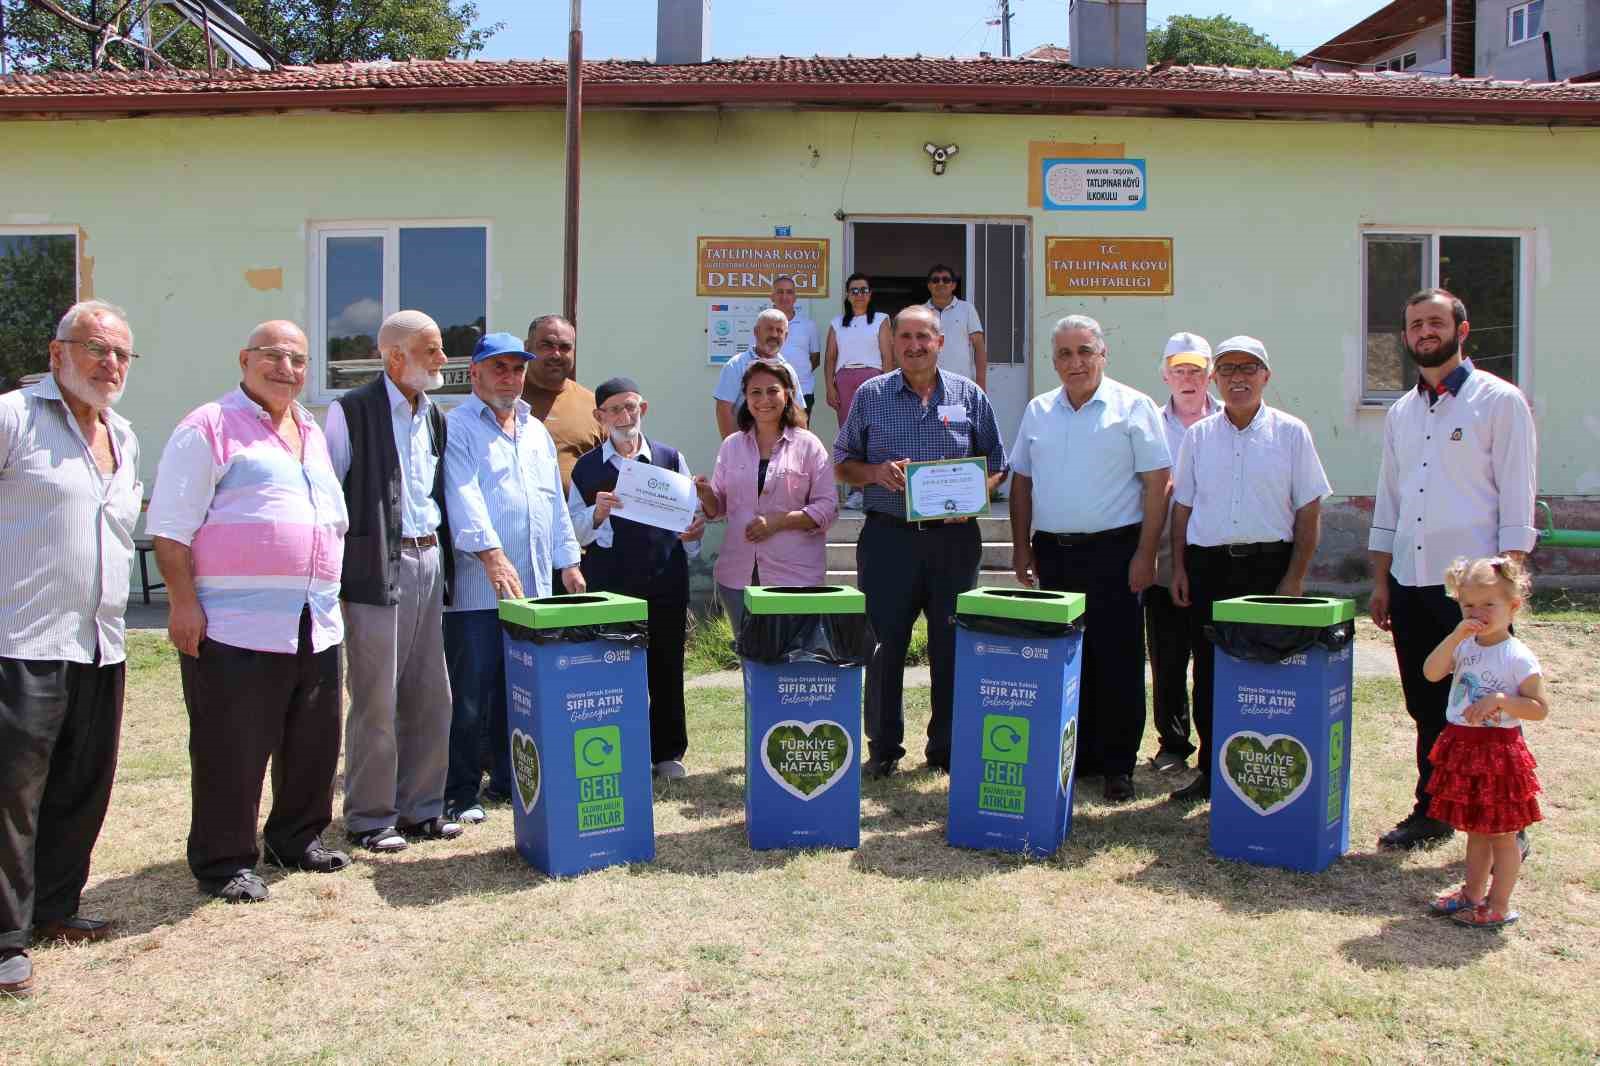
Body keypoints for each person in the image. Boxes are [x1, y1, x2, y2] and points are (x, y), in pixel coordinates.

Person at [147, 320, 351, 905]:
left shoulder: (311, 429)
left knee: (313, 744)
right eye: (273, 355)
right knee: (230, 750)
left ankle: (296, 839)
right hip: (234, 626)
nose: (286, 367)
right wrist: (184, 604)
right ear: (244, 359)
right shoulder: (207, 426)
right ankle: (223, 860)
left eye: (298, 358)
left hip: (312, 621)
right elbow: (169, 529)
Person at [0, 301, 141, 999]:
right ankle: (4, 939)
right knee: (11, 797)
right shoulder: (13, 419)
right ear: (58, 354)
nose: (109, 364)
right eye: (96, 349)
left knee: (83, 783)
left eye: (120, 354)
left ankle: (56, 907)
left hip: (101, 643)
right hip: (20, 640)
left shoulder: (124, 434)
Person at [1368, 288, 1538, 851]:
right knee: (1425, 701)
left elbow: (1517, 496)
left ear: (1461, 331)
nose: (1424, 332)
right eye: (1415, 324)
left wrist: (1505, 587)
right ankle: (1434, 808)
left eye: (1435, 322)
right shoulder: (1402, 411)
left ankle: (1504, 816)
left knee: (1485, 704)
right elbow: (1390, 500)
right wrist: (1380, 579)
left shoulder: (1499, 401)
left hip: (1474, 594)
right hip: (1411, 582)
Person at [835, 305, 1005, 779]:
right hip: (889, 540)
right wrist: (873, 473)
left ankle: (946, 749)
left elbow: (997, 461)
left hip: (953, 543)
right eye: (905, 337)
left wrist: (977, 493)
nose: (913, 345)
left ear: (940, 341)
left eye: (923, 337)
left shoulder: (969, 396)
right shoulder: (871, 395)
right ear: (894, 344)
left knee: (950, 644)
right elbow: (842, 462)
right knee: (883, 645)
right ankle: (884, 748)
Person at [1010, 315, 1170, 803]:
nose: (1075, 362)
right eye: (1064, 354)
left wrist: (1147, 554)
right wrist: (1021, 546)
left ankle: (1118, 765)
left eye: (1084, 351)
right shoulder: (1038, 411)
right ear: (1053, 360)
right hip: (1055, 553)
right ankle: (1079, 756)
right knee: (1068, 661)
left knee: (1118, 659)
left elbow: (1159, 483)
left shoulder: (1133, 407)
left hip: (1116, 552)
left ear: (1103, 355)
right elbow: (1021, 482)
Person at [1168, 336, 1330, 802]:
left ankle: (1260, 767)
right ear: (1215, 378)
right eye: (1229, 368)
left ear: (1266, 376)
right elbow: (1182, 510)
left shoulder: (1292, 432)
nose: (1238, 377)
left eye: (1249, 368)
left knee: (1269, 669)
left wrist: (1294, 577)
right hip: (1209, 567)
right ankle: (1210, 770)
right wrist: (1178, 567)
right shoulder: (1198, 436)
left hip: (1269, 566)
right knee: (1212, 669)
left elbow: (1308, 509)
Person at [323, 310, 460, 851]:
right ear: (395, 356)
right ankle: (369, 818)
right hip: (375, 567)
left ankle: (421, 809)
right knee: (376, 699)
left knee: (432, 694)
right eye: (432, 349)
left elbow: (432, 495)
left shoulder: (435, 417)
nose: (443, 360)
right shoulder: (348, 412)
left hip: (429, 561)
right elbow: (329, 498)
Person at [443, 333, 585, 821]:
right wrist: (491, 554)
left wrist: (568, 560)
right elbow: (462, 494)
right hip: (477, 589)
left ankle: (508, 779)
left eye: (516, 368)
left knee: (518, 689)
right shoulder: (457, 427)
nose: (509, 377)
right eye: (498, 367)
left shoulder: (535, 430)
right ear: (475, 374)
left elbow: (554, 503)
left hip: (533, 591)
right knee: (469, 696)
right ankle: (459, 793)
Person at [569, 378, 705, 779]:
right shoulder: (586, 468)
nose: (624, 417)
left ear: (643, 409)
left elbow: (689, 518)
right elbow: (572, 531)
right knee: (614, 665)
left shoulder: (670, 457)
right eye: (614, 410)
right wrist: (596, 513)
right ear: (599, 417)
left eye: (631, 407)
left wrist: (694, 533)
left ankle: (667, 752)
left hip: (665, 575)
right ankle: (621, 749)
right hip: (610, 581)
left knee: (667, 664)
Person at [1421, 556, 1546, 929]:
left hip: (1498, 752)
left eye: (1488, 604)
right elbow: (1430, 673)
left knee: (1503, 835)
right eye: (1468, 604)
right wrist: (1456, 635)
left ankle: (1500, 905)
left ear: (1514, 606)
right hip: (1463, 745)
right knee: (1476, 830)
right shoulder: (1465, 646)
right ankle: (1472, 894)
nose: (1477, 612)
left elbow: (1539, 708)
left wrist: (1503, 701)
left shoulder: (1517, 656)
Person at [697, 362, 838, 630]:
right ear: (745, 398)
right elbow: (719, 508)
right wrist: (706, 495)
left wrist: (779, 522)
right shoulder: (732, 446)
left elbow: (828, 508)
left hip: (794, 576)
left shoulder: (808, 445)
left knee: (790, 664)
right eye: (755, 392)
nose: (764, 400)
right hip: (737, 576)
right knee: (750, 661)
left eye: (772, 391)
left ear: (787, 394)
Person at [1146, 332, 1220, 775]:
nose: (1188, 379)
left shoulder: (1230, 419)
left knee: (1211, 654)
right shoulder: (1148, 423)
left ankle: (1216, 741)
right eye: (1179, 371)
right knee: (1168, 654)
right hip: (1162, 554)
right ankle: (1173, 743)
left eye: (1196, 370)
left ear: (1210, 374)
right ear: (1165, 375)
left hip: (1213, 551)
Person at [824, 273, 892, 511]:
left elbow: (888, 356)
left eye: (864, 290)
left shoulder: (881, 320)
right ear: (847, 294)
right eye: (854, 290)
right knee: (849, 435)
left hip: (873, 378)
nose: (859, 295)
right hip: (845, 379)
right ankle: (856, 491)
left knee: (874, 433)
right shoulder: (837, 323)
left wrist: (889, 386)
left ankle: (876, 487)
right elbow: (830, 358)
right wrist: (830, 386)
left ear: (870, 294)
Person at [521, 314, 603, 491]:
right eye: (546, 345)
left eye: (565, 347)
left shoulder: (595, 406)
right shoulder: (506, 399)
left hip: (580, 518)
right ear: (527, 348)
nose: (556, 354)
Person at [713, 308, 808, 440]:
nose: (774, 334)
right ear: (756, 332)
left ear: (785, 336)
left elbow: (798, 412)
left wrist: (801, 449)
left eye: (780, 331)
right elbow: (724, 410)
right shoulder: (735, 365)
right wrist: (734, 450)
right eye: (769, 329)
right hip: (745, 448)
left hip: (780, 451)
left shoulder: (788, 370)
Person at [923, 263, 988, 392]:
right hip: (926, 383)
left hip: (961, 383)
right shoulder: (920, 312)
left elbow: (979, 348)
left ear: (953, 285)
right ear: (929, 286)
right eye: (935, 280)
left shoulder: (967, 309)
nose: (940, 283)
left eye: (946, 280)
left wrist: (981, 383)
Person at [772, 275, 822, 410]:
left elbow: (815, 358)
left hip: (803, 391)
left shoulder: (809, 325)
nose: (784, 296)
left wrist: (798, 373)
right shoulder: (762, 324)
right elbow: (756, 355)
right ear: (772, 297)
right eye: (780, 292)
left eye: (789, 292)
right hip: (771, 392)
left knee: (800, 431)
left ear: (795, 297)